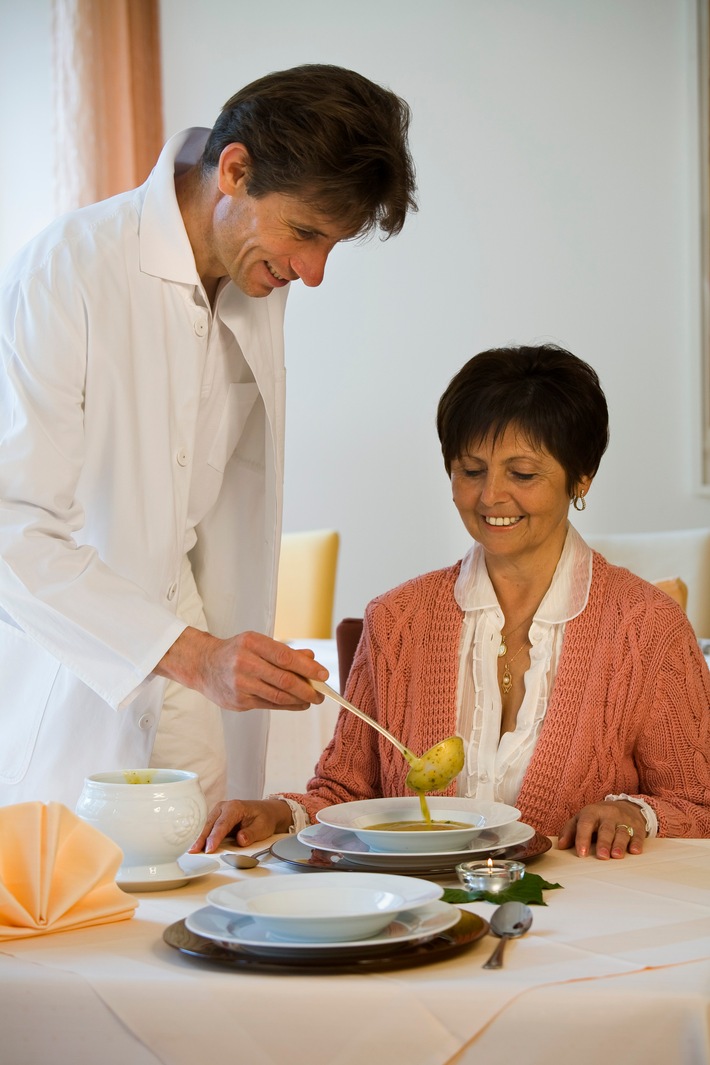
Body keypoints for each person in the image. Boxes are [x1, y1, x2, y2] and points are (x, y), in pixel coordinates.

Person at [0, 64, 417, 810]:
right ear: (235, 170)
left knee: (210, 886)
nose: (313, 273)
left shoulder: (259, 282)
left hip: (191, 657)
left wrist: (218, 659)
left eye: (333, 247)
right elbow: (12, 527)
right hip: (74, 676)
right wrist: (196, 658)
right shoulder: (65, 274)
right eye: (306, 234)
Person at [192, 344, 710, 859]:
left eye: (522, 474)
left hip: (587, 924)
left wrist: (634, 813)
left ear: (581, 477)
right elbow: (345, 794)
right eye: (471, 470)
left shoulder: (648, 628)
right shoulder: (397, 620)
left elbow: (699, 802)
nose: (490, 496)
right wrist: (278, 813)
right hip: (421, 920)